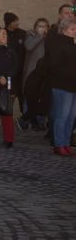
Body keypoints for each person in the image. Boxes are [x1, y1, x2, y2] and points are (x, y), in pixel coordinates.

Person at [47, 18, 76, 156]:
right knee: (62, 116)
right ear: (64, 31)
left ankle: (66, 142)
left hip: (73, 86)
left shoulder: (73, 44)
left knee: (71, 117)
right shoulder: (58, 45)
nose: (75, 32)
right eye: (72, 29)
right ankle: (59, 144)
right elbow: (54, 66)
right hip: (62, 85)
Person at [19, 18, 50, 130]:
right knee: (29, 97)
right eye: (40, 26)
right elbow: (29, 46)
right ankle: (25, 122)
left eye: (45, 26)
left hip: (44, 73)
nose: (43, 28)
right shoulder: (31, 36)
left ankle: (40, 122)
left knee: (42, 98)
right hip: (31, 72)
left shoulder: (50, 38)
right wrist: (40, 36)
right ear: (35, 27)